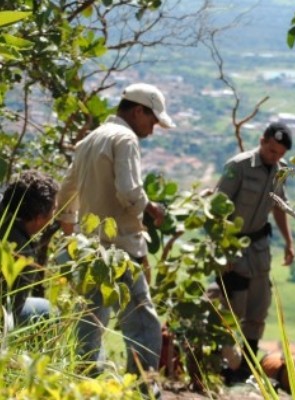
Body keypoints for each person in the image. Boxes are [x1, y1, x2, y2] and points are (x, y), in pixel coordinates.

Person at [57, 83, 173, 378]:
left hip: (88, 249)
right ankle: (143, 388)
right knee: (143, 323)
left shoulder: (90, 139)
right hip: (119, 250)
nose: (152, 129)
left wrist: (70, 237)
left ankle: (85, 384)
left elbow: (66, 191)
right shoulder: (125, 139)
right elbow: (129, 192)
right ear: (138, 111)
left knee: (90, 323)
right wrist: (151, 209)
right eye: (153, 120)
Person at [215, 122, 295, 384]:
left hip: (259, 250)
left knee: (258, 310)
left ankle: (245, 368)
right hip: (232, 248)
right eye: (271, 150)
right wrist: (221, 251)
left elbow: (279, 207)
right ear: (262, 141)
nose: (274, 157)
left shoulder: (279, 173)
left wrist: (288, 241)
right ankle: (223, 365)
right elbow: (217, 208)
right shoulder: (238, 166)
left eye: (279, 154)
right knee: (230, 310)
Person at [0, 170, 58, 327]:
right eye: (53, 210)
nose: (54, 216)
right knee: (48, 311)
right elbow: (11, 310)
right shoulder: (23, 252)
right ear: (39, 218)